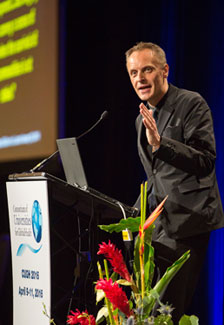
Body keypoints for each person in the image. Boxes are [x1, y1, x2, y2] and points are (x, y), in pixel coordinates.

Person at [125, 42, 224, 323]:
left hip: (188, 220)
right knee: (151, 310)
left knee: (169, 309)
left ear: (164, 70)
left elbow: (205, 160)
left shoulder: (191, 103)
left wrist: (161, 143)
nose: (140, 78)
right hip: (158, 225)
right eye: (133, 73)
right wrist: (132, 215)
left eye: (147, 70)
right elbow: (155, 177)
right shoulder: (140, 120)